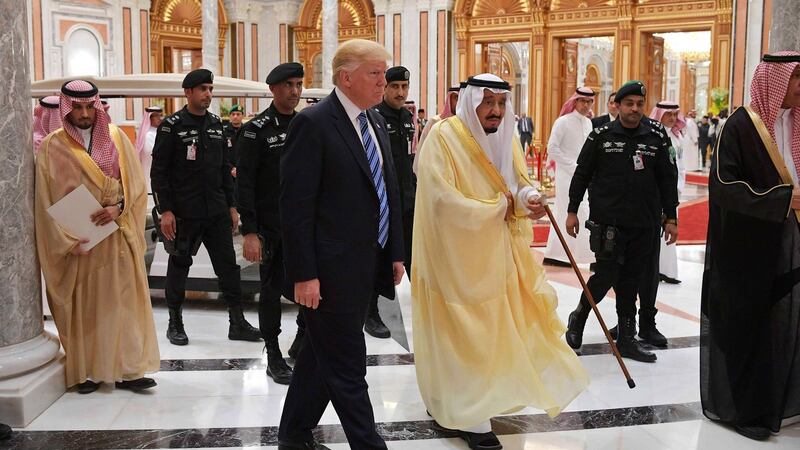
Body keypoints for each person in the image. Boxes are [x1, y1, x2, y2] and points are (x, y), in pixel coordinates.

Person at [412, 74, 588, 450]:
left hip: (500, 254)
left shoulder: (507, 137)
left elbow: (515, 184)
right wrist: (499, 207)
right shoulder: (443, 137)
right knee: (464, 333)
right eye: (487, 101)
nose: (495, 110)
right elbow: (440, 200)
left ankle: (486, 399)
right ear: (469, 101)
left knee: (497, 332)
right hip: (456, 259)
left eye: (501, 103)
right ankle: (469, 415)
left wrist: (529, 198)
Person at [277, 39, 405, 450]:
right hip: (327, 271)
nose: (383, 81)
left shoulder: (376, 121)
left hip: (365, 264)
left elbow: (388, 189)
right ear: (346, 77)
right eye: (375, 73)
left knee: (320, 358)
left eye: (384, 72)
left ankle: (293, 435)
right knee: (348, 366)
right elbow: (296, 207)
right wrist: (304, 274)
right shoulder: (313, 123)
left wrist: (394, 252)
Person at [35, 79, 160, 394]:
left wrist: (119, 208)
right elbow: (45, 200)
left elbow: (135, 186)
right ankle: (89, 371)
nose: (84, 113)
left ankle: (129, 370)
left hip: (117, 236)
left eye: (89, 106)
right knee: (88, 309)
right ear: (66, 108)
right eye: (77, 107)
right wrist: (65, 241)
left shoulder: (117, 137)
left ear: (97, 106)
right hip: (82, 244)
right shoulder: (52, 145)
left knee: (124, 304)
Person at [701, 51, 800, 441]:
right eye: (795, 78)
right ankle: (747, 410)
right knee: (749, 327)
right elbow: (725, 186)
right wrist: (782, 201)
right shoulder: (740, 126)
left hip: (789, 242)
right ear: (775, 80)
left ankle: (782, 401)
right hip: (747, 247)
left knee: (787, 320)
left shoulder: (796, 121)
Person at [564, 81, 679, 363]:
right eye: (629, 104)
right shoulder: (601, 135)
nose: (635, 109)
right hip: (609, 222)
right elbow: (582, 174)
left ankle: (627, 338)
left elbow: (668, 178)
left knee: (631, 280)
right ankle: (579, 316)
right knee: (606, 275)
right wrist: (572, 210)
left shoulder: (656, 135)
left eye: (639, 104)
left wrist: (671, 216)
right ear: (618, 106)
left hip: (644, 221)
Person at [150, 69, 261, 346]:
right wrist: (165, 210)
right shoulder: (172, 126)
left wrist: (232, 206)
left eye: (210, 88)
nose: (208, 94)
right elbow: (159, 173)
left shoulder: (215, 124)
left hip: (216, 211)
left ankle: (237, 322)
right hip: (184, 213)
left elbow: (224, 169)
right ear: (188, 92)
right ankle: (175, 322)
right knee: (179, 266)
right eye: (202, 89)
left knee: (228, 267)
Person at [236, 62, 306, 385]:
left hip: (302, 225)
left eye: (298, 84)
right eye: (288, 85)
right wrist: (250, 232)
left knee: (309, 283)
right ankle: (273, 353)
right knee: (271, 290)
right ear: (273, 89)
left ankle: (301, 340)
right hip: (271, 227)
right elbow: (245, 184)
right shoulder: (256, 130)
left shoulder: (306, 125)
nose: (295, 91)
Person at [367, 66, 416, 339]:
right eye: (395, 87)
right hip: (383, 200)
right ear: (385, 88)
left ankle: (423, 308)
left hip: (406, 198)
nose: (400, 92)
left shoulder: (407, 118)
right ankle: (371, 313)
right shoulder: (375, 117)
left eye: (404, 87)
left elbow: (410, 159)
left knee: (413, 254)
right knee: (379, 258)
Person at [543, 87, 596, 268]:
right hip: (566, 175)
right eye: (583, 101)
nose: (586, 105)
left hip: (582, 176)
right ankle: (558, 255)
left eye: (589, 102)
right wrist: (573, 167)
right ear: (575, 101)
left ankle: (576, 254)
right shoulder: (563, 122)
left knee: (583, 210)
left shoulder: (588, 124)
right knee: (565, 211)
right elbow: (552, 148)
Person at [649, 102, 687, 285]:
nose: (672, 118)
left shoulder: (677, 136)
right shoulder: (654, 136)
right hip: (658, 191)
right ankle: (653, 270)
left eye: (674, 115)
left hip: (673, 192)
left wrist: (679, 186)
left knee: (670, 230)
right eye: (668, 114)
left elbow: (681, 165)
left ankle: (666, 270)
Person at [134, 105, 163, 201]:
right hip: (149, 169)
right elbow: (149, 152)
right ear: (150, 118)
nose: (160, 118)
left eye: (160, 115)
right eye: (157, 116)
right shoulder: (148, 135)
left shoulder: (159, 132)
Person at [418, 85, 461, 149]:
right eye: (456, 98)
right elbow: (422, 149)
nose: (460, 102)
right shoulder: (434, 121)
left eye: (462, 98)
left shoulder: (468, 125)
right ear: (449, 100)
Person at [224, 104, 244, 178]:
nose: (235, 116)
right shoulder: (224, 131)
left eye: (238, 114)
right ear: (230, 116)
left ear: (242, 116)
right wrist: (231, 168)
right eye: (233, 114)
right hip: (227, 170)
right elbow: (221, 152)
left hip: (243, 169)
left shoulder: (247, 131)